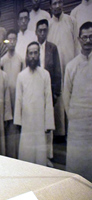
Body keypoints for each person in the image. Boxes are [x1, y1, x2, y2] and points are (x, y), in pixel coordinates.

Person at [14, 42, 55, 166]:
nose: (33, 56)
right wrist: (18, 121)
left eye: (35, 53)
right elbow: (18, 99)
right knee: (26, 153)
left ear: (39, 54)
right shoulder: (21, 76)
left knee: (40, 155)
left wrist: (49, 123)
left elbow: (48, 99)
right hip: (27, 121)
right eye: (30, 53)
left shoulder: (45, 74)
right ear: (27, 55)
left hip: (40, 120)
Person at [63, 21, 92, 182]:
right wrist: (73, 116)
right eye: (85, 37)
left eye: (91, 37)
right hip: (77, 126)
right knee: (77, 169)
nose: (88, 40)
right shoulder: (72, 66)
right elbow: (67, 96)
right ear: (79, 39)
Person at [47, 0, 77, 137]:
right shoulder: (49, 24)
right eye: (54, 3)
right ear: (50, 6)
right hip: (56, 69)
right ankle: (59, 132)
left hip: (70, 65)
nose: (57, 6)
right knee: (58, 98)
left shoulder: (71, 21)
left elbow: (77, 43)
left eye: (59, 2)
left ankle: (71, 131)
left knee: (71, 96)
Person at [36, 19, 62, 166]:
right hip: (35, 91)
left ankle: (48, 154)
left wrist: (56, 92)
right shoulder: (33, 48)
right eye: (40, 30)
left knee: (47, 123)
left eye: (44, 30)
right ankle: (39, 154)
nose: (42, 33)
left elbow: (57, 71)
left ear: (47, 31)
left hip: (49, 90)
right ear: (36, 32)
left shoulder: (52, 48)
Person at [0, 29, 23, 159]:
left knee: (16, 124)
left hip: (17, 96)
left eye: (14, 39)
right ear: (6, 43)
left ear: (17, 41)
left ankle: (16, 154)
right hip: (6, 97)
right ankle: (7, 154)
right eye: (9, 40)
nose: (12, 42)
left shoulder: (20, 59)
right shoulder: (2, 60)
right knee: (7, 124)